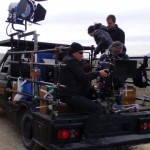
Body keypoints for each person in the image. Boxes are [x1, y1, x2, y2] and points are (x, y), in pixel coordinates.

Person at [58, 42, 108, 113]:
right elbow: (83, 77)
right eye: (80, 53)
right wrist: (99, 73)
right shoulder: (71, 61)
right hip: (70, 95)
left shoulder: (69, 59)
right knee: (98, 109)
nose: (82, 55)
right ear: (74, 53)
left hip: (70, 92)